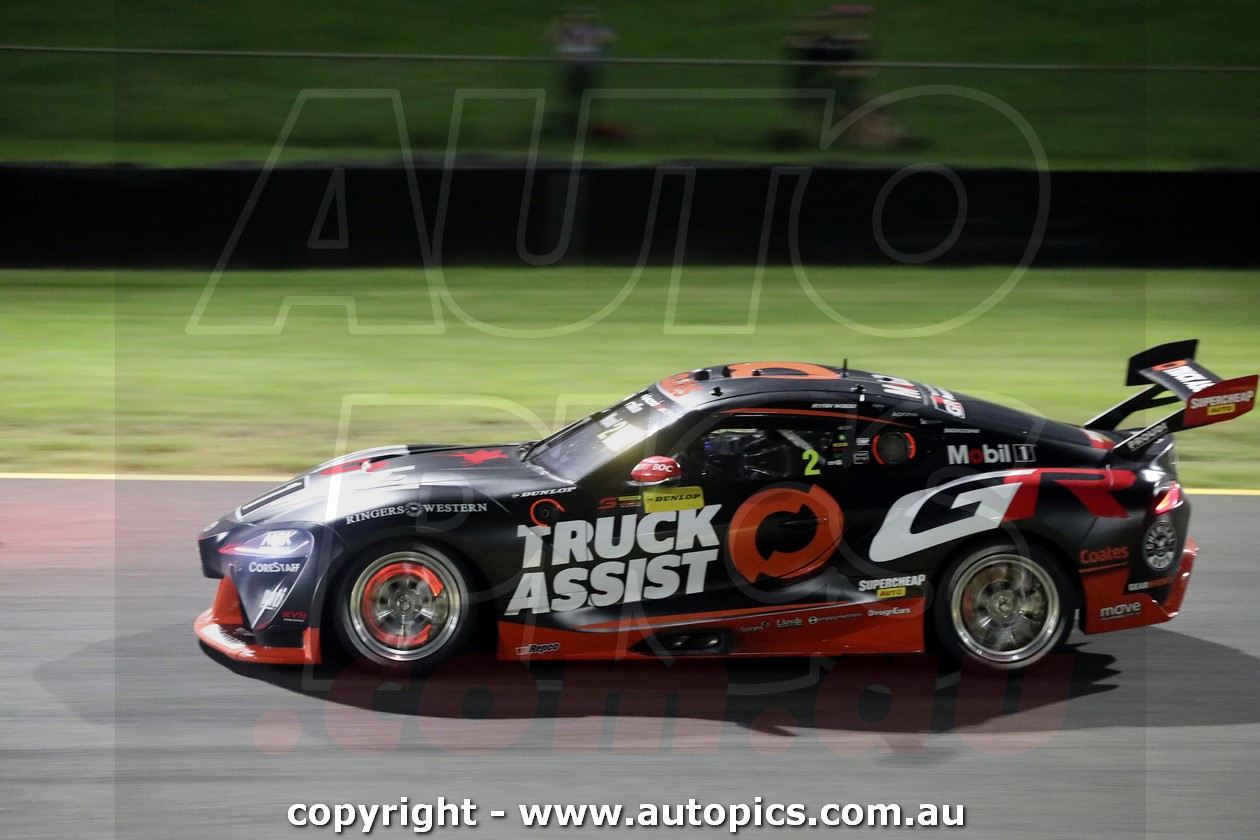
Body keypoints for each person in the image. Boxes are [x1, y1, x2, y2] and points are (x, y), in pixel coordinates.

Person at [545, 7, 616, 137]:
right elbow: (550, 38)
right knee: (571, 98)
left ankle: (589, 128)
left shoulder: (595, 31)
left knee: (588, 99)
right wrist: (559, 25)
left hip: (588, 69)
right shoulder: (566, 32)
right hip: (571, 70)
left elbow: (609, 38)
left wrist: (587, 38)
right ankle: (571, 126)